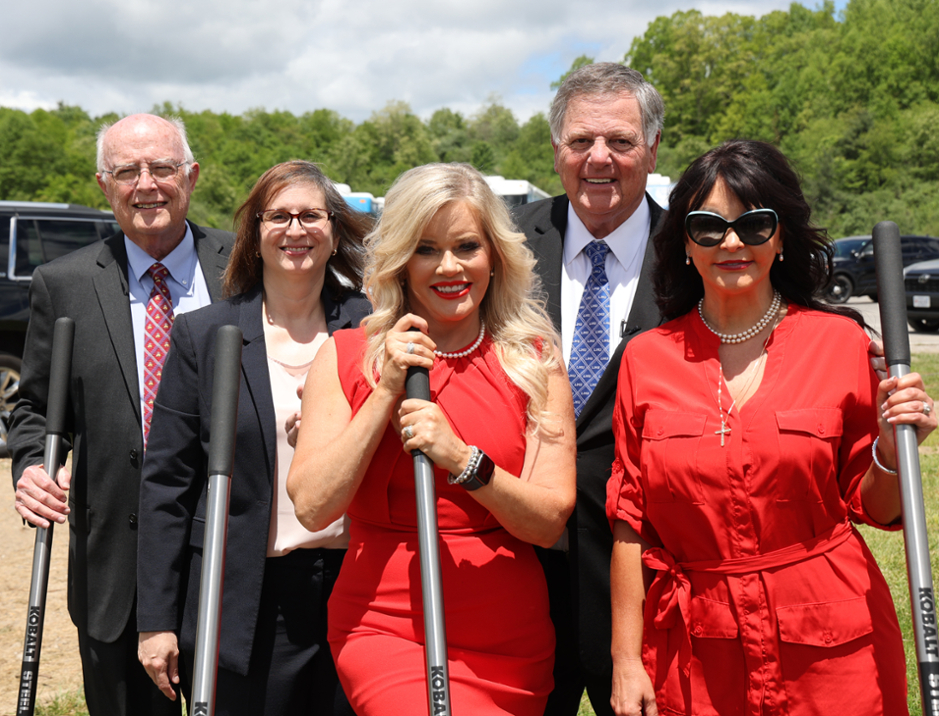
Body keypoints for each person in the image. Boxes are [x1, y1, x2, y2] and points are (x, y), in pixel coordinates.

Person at [607, 139, 935, 715]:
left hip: (835, 652)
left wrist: (890, 447)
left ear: (781, 238)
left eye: (754, 225)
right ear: (685, 243)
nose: (732, 243)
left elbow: (879, 507)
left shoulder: (841, 343)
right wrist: (627, 661)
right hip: (700, 658)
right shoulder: (644, 358)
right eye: (708, 227)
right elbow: (631, 528)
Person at [286, 162, 577, 715]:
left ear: (494, 255)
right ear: (400, 260)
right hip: (386, 626)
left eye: (467, 246)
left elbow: (547, 520)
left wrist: (465, 461)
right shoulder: (344, 355)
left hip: (507, 635)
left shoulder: (533, 362)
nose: (449, 267)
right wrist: (385, 391)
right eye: (425, 249)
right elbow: (313, 505)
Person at [9, 113, 234, 716]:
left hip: (234, 551)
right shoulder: (66, 283)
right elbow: (33, 405)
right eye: (126, 171)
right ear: (104, 185)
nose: (146, 184)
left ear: (190, 175)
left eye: (162, 168)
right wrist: (31, 466)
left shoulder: (246, 267)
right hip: (116, 568)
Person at [135, 160, 371, 715]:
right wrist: (156, 622)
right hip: (249, 591)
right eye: (279, 217)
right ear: (255, 233)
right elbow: (166, 485)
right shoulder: (204, 336)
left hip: (360, 586)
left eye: (311, 215)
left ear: (335, 231)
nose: (295, 230)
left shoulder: (372, 326)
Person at [513, 62, 665, 716]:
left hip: (644, 568)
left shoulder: (693, 250)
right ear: (555, 151)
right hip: (514, 561)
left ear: (652, 149)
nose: (597, 157)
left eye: (619, 141)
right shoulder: (502, 244)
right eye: (580, 142)